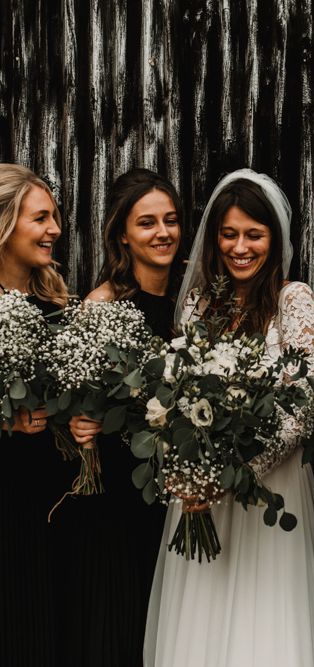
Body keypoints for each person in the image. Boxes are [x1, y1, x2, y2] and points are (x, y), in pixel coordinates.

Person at [143, 168, 314, 667]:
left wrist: (230, 477)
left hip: (268, 493)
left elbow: (302, 405)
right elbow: (175, 393)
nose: (240, 247)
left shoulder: (295, 300)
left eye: (254, 234)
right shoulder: (197, 303)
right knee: (198, 626)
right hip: (199, 499)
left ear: (274, 238)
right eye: (229, 234)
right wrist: (189, 471)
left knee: (263, 628)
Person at [63, 168, 184, 666]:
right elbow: (75, 400)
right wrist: (77, 426)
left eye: (171, 221)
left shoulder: (194, 302)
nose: (163, 233)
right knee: (122, 622)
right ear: (122, 236)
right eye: (147, 223)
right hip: (119, 491)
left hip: (180, 492)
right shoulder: (103, 305)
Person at [0, 164, 69, 665]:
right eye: (41, 218)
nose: (55, 230)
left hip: (52, 495)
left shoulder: (58, 306)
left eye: (55, 217)